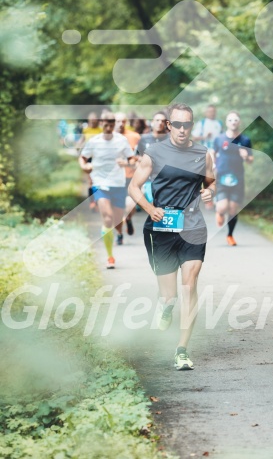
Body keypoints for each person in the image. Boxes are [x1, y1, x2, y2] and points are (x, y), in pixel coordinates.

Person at [129, 103, 216, 371]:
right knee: (169, 295)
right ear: (168, 125)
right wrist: (149, 208)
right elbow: (134, 187)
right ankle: (165, 305)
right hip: (162, 227)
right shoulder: (153, 153)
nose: (181, 129)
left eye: (186, 124)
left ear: (192, 126)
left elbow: (211, 181)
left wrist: (209, 192)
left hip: (192, 226)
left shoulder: (203, 153)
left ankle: (181, 350)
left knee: (190, 282)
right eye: (176, 124)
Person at [79, 111, 133, 269]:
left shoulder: (122, 140)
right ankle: (110, 257)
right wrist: (85, 166)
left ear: (114, 124)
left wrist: (126, 163)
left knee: (116, 220)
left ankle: (119, 230)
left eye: (111, 124)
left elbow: (132, 159)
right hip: (100, 183)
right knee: (107, 219)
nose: (108, 127)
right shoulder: (94, 141)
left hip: (118, 183)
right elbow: (83, 157)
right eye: (106, 124)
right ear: (101, 123)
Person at [212, 111, 253, 246]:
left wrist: (246, 156)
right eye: (230, 120)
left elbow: (251, 159)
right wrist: (212, 164)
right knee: (223, 207)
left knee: (233, 209)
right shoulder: (219, 139)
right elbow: (213, 153)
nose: (233, 122)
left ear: (239, 122)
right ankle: (219, 212)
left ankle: (230, 235)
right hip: (222, 176)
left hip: (238, 177)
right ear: (226, 122)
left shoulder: (245, 140)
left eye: (235, 120)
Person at [115, 111, 140, 240]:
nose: (120, 124)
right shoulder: (108, 138)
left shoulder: (134, 137)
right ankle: (119, 233)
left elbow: (140, 157)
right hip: (114, 179)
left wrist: (128, 163)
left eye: (123, 122)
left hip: (131, 177)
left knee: (130, 206)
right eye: (117, 121)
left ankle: (128, 219)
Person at [77, 112, 103, 211]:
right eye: (91, 120)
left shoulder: (101, 130)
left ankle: (99, 200)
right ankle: (92, 202)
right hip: (89, 157)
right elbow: (82, 140)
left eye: (94, 120)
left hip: (99, 157)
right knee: (91, 181)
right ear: (88, 121)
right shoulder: (86, 129)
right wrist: (79, 146)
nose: (93, 122)